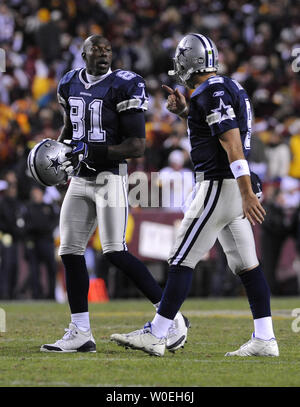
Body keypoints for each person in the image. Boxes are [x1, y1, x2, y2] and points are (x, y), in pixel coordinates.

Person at [110, 33, 279, 357]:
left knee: (180, 258)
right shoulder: (228, 86)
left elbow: (230, 141)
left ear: (189, 61)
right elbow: (219, 131)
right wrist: (187, 112)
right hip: (229, 185)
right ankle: (265, 338)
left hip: (218, 184)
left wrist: (246, 191)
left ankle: (158, 333)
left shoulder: (211, 91)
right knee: (247, 265)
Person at [40, 35, 189, 353]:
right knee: (69, 251)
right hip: (80, 178)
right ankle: (80, 331)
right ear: (83, 54)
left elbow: (137, 145)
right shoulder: (68, 82)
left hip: (110, 177)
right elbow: (70, 128)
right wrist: (58, 152)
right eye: (97, 49)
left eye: (108, 50)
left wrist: (94, 151)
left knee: (114, 251)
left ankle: (171, 317)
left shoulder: (126, 83)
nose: (104, 54)